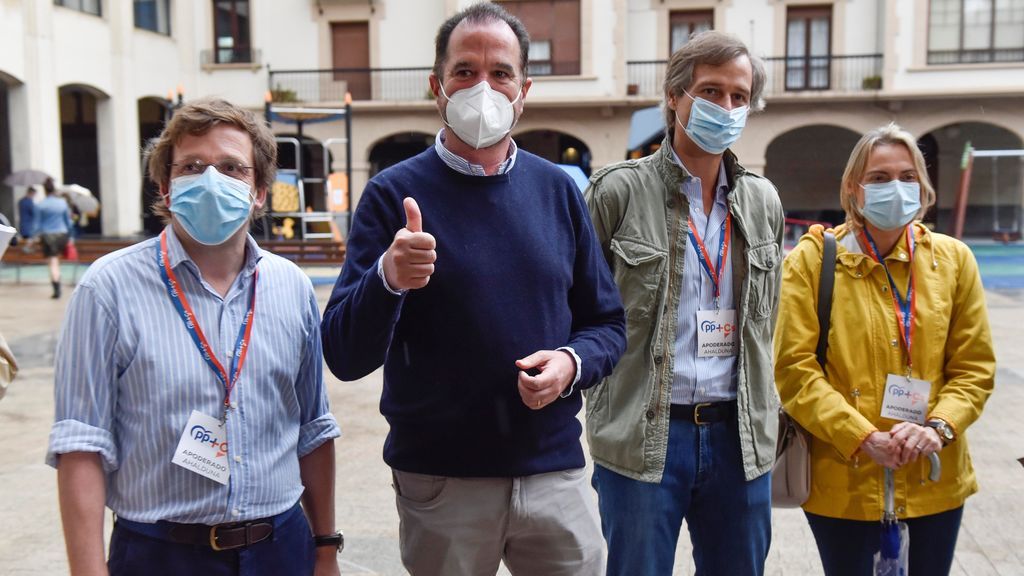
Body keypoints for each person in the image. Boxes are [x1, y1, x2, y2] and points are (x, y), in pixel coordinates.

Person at [320, 4, 626, 575]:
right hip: (442, 484)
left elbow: (607, 324)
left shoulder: (557, 191)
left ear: (524, 89)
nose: (482, 87)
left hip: (554, 476)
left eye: (500, 73)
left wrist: (570, 362)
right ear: (437, 86)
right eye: (464, 72)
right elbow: (342, 354)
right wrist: (388, 279)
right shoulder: (392, 195)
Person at [46, 98, 343, 576]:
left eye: (231, 168)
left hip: (280, 548)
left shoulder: (292, 288)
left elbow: (312, 428)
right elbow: (82, 442)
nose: (211, 180)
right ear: (166, 185)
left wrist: (325, 547)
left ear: (260, 191)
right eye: (192, 166)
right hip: (159, 553)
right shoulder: (108, 289)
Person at [583, 31, 784, 575]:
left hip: (738, 435)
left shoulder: (763, 201)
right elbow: (578, 313)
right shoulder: (616, 193)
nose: (726, 107)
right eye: (710, 91)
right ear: (674, 97)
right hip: (644, 437)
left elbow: (769, 327)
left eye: (738, 96)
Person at [774, 123, 995, 575]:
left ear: (923, 185)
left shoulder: (953, 261)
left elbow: (974, 368)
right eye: (878, 178)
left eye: (907, 175)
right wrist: (862, 437)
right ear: (854, 189)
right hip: (845, 482)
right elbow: (795, 371)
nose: (895, 187)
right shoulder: (813, 261)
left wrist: (939, 427)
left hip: (935, 474)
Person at [32, 178, 72, 298]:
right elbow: (68, 222)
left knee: (53, 262)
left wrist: (32, 239)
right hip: (62, 235)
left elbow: (37, 225)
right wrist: (70, 237)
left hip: (48, 236)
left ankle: (56, 287)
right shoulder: (62, 203)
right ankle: (58, 281)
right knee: (57, 261)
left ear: (44, 190)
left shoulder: (41, 205)